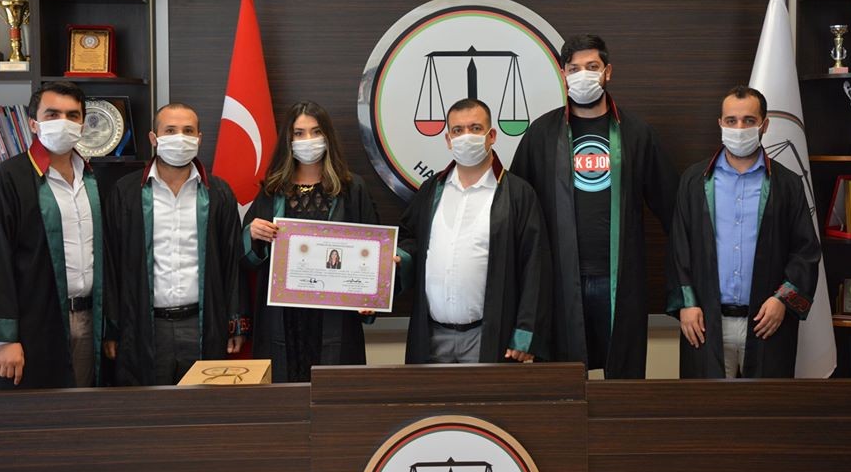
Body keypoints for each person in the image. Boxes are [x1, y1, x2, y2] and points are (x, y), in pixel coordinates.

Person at [510, 34, 678, 378]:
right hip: (559, 282)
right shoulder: (541, 134)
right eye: (574, 69)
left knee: (622, 384)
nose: (583, 75)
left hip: (619, 281)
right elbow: (515, 211)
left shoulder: (636, 133)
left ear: (607, 71)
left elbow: (674, 212)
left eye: (592, 66)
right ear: (563, 73)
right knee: (563, 383)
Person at [667, 86, 820, 378]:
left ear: (764, 125)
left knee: (764, 406)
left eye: (749, 120)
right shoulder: (694, 181)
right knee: (707, 406)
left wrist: (783, 300)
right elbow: (679, 248)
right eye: (731, 120)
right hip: (705, 321)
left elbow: (806, 251)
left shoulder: (787, 184)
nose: (739, 128)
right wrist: (687, 304)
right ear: (720, 124)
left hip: (766, 321)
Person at [0, 81, 104, 389]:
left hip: (88, 319)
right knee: (34, 411)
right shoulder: (9, 177)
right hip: (33, 323)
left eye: (72, 115)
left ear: (82, 124)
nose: (63, 122)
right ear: (33, 123)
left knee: (83, 408)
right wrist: (4, 339)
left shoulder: (92, 179)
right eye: (52, 114)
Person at [103, 103, 248, 385]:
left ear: (199, 139)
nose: (180, 137)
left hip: (203, 324)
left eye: (188, 131)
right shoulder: (126, 192)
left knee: (202, 407)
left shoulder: (218, 193)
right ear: (153, 138)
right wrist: (112, 328)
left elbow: (232, 262)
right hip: (144, 326)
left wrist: (236, 322)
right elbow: (111, 263)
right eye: (170, 130)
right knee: (149, 407)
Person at [398, 98, 551, 364]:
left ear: (491, 136)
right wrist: (399, 260)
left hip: (489, 336)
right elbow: (410, 240)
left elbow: (535, 266)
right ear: (448, 140)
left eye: (475, 128)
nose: (466, 136)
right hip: (431, 335)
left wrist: (525, 333)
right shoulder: (431, 190)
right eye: (458, 130)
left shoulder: (518, 194)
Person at [243, 101, 379, 382]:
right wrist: (253, 234)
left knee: (334, 396)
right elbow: (248, 258)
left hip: (335, 319)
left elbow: (375, 251)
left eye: (316, 132)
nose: (308, 140)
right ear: (289, 140)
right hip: (284, 317)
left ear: (328, 137)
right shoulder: (272, 190)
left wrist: (371, 295)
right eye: (299, 133)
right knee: (285, 394)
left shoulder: (351, 189)